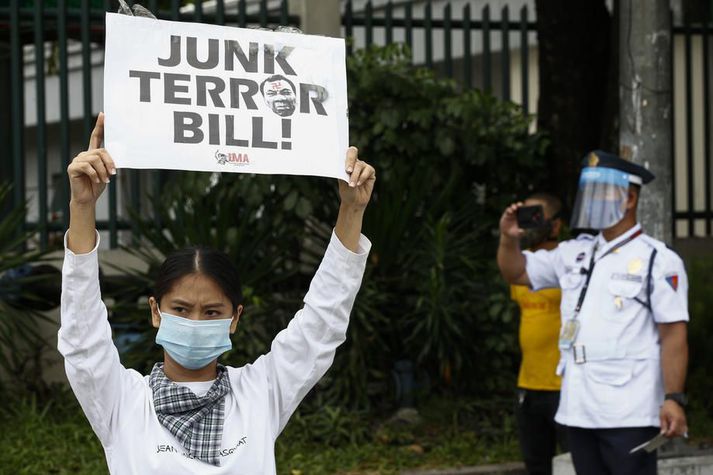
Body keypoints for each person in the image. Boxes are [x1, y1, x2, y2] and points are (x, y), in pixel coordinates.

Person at [59, 113, 376, 473]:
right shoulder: (123, 401)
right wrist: (82, 207)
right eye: (180, 309)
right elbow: (82, 339)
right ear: (155, 311)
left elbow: (322, 323)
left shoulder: (259, 393)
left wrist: (351, 210)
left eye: (211, 312)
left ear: (234, 318)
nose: (195, 321)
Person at [497, 151, 689, 475]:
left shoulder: (657, 259)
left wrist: (673, 397)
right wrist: (507, 238)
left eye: (601, 192)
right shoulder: (575, 252)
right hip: (579, 408)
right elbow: (516, 272)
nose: (592, 200)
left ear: (629, 199)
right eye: (589, 193)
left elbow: (674, 335)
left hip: (630, 410)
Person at [509, 192, 567, 475]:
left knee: (574, 465)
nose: (531, 224)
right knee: (536, 466)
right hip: (529, 386)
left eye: (538, 217)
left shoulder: (569, 263)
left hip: (565, 387)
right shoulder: (520, 265)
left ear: (556, 225)